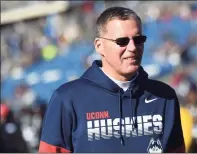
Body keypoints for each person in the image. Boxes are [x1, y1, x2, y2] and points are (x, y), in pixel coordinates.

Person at [39, 6, 185, 153]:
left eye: (138, 39)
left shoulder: (164, 96)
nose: (132, 47)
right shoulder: (67, 99)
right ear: (99, 46)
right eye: (122, 41)